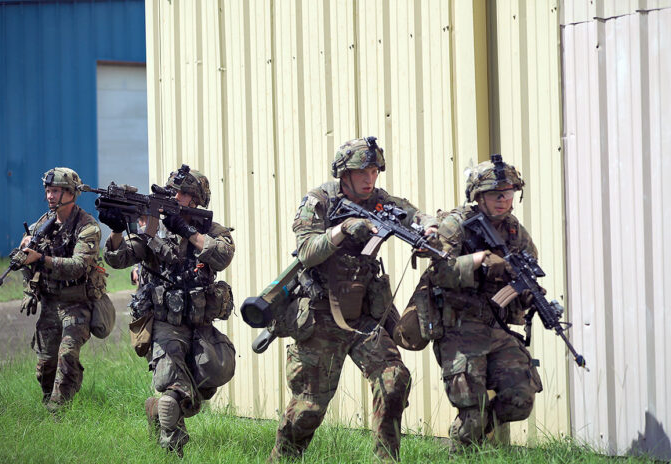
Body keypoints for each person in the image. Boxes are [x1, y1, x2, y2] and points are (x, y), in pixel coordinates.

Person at [268, 137, 438, 462]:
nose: (369, 178)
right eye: (361, 171)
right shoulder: (319, 201)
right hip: (320, 317)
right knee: (308, 410)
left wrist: (427, 229)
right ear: (343, 173)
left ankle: (387, 459)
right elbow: (306, 251)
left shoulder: (380, 201)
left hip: (362, 317)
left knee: (393, 382)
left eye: (374, 171)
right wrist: (342, 230)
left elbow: (414, 215)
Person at [101, 167, 236, 457]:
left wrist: (186, 230)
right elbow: (120, 257)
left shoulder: (212, 230)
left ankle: (157, 410)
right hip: (164, 324)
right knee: (172, 390)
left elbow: (222, 256)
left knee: (212, 374)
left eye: (185, 193)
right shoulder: (153, 228)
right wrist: (115, 230)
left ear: (198, 200)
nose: (177, 196)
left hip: (199, 323)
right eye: (174, 191)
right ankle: (171, 449)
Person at [411, 155, 544, 450]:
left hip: (496, 327)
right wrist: (479, 260)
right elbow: (438, 272)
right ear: (478, 196)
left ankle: (479, 437)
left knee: (521, 398)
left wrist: (527, 292)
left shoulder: (514, 231)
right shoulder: (456, 225)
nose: (502, 199)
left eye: (508, 193)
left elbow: (529, 268)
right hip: (459, 327)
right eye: (495, 194)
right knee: (472, 413)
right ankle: (462, 451)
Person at [17, 167, 110, 413]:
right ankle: (50, 399)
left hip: (77, 303)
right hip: (51, 303)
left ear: (71, 193)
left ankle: (59, 411)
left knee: (67, 355)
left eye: (56, 191)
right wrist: (29, 286)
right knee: (45, 365)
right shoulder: (41, 224)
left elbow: (78, 267)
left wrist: (40, 259)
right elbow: (25, 261)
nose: (49, 196)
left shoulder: (88, 227)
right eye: (48, 190)